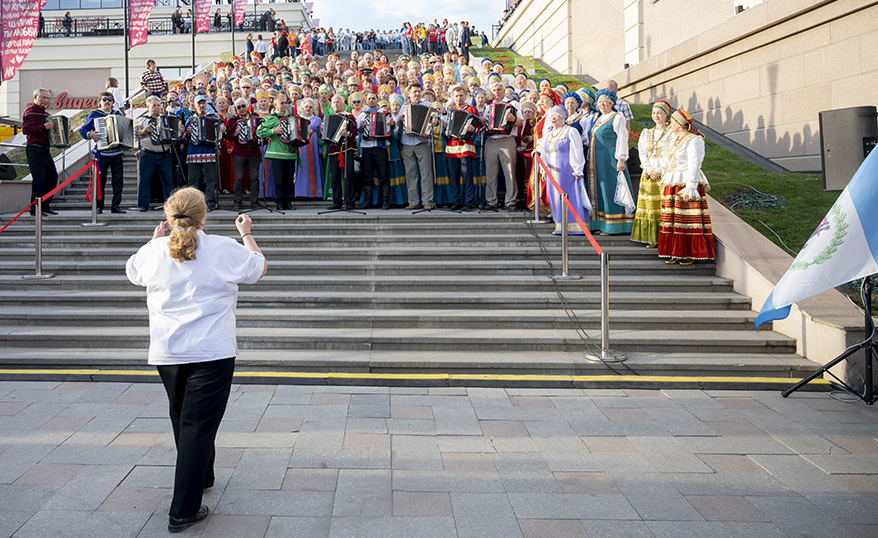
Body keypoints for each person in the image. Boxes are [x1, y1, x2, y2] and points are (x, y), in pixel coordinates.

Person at [125, 187, 266, 534]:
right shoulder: (221, 247)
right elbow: (258, 268)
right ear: (204, 216)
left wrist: (152, 240)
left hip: (167, 352)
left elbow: (133, 272)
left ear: (169, 217)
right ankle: (183, 510)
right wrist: (247, 234)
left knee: (183, 415)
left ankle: (202, 473)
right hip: (211, 351)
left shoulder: (154, 250)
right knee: (197, 423)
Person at [658, 109, 716, 265]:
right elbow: (667, 160)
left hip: (685, 182)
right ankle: (675, 251)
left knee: (687, 219)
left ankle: (691, 253)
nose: (670, 124)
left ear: (680, 124)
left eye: (673, 121)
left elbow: (694, 163)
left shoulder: (693, 140)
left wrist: (691, 187)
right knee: (673, 219)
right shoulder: (674, 139)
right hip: (673, 180)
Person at [587, 89, 634, 235]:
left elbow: (622, 138)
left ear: (611, 103)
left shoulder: (617, 117)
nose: (602, 105)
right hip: (597, 161)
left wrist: (621, 159)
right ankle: (600, 223)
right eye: (599, 102)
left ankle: (614, 225)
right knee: (600, 190)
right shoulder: (598, 118)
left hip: (610, 161)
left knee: (611, 189)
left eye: (605, 102)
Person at [538, 106, 590, 234]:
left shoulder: (570, 131)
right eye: (552, 117)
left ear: (562, 118)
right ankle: (559, 225)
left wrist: (578, 169)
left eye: (556, 116)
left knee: (569, 195)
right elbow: (544, 154)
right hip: (552, 172)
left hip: (567, 171)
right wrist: (543, 170)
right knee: (554, 197)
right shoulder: (549, 135)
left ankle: (575, 226)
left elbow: (578, 151)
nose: (554, 119)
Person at [631, 101, 672, 248]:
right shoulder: (646, 132)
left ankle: (664, 238)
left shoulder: (672, 133)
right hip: (648, 172)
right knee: (649, 206)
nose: (656, 116)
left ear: (666, 115)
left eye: (659, 113)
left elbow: (671, 154)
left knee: (663, 206)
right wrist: (648, 169)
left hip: (664, 173)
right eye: (654, 113)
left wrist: (659, 170)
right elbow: (642, 152)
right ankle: (651, 237)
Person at [79, 91, 126, 214]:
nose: (107, 102)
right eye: (104, 99)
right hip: (102, 153)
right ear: (100, 101)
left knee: (118, 181)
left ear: (113, 103)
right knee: (100, 180)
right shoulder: (95, 114)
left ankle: (116, 206)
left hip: (117, 153)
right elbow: (83, 130)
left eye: (110, 100)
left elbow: (126, 127)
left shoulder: (117, 114)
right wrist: (91, 134)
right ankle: (99, 206)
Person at [482, 82, 521, 211]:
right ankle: (491, 201)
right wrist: (482, 121)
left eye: (499, 89)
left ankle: (510, 201)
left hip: (507, 140)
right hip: (491, 140)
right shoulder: (489, 106)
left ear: (504, 91)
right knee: (490, 173)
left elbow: (521, 122)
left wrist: (512, 120)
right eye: (494, 90)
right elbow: (485, 122)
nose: (497, 92)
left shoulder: (513, 104)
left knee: (509, 172)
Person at [256, 92, 298, 210]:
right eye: (281, 103)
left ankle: (288, 202)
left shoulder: (292, 118)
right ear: (275, 104)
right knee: (278, 180)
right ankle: (279, 202)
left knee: (289, 179)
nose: (284, 105)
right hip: (277, 153)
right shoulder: (270, 118)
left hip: (290, 153)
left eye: (285, 103)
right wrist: (273, 131)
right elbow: (259, 132)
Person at [22, 88, 60, 216]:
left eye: (47, 98)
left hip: (44, 150)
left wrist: (65, 134)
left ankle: (44, 206)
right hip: (34, 149)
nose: (45, 100)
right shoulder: (30, 112)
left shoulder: (46, 115)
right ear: (35, 97)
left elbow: (50, 133)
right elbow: (26, 129)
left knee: (52, 178)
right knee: (39, 180)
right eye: (42, 97)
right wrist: (44, 127)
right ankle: (35, 209)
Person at [135, 96, 177, 211]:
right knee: (145, 180)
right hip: (148, 154)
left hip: (165, 154)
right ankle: (143, 204)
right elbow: (134, 134)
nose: (156, 108)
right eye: (154, 105)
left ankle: (171, 205)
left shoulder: (167, 119)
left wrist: (179, 131)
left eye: (158, 105)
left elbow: (174, 134)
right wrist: (144, 131)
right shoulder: (142, 120)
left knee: (168, 181)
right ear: (148, 106)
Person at [399, 82, 436, 210]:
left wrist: (434, 122)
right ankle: (413, 201)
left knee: (426, 173)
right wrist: (400, 119)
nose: (417, 94)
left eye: (418, 91)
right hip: (407, 142)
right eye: (414, 91)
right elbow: (397, 123)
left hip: (422, 142)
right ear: (409, 94)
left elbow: (435, 120)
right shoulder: (404, 106)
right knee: (411, 174)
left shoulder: (427, 105)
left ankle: (427, 201)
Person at [356, 91, 395, 209]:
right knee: (367, 174)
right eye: (369, 98)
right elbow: (358, 131)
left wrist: (392, 124)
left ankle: (385, 201)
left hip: (380, 146)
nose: (371, 100)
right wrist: (362, 128)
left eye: (373, 98)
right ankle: (368, 201)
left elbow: (395, 130)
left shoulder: (384, 113)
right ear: (366, 101)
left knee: (383, 174)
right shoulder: (362, 115)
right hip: (367, 147)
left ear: (377, 100)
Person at [444, 84, 479, 210]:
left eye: (461, 96)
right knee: (453, 176)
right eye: (456, 96)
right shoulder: (450, 110)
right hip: (451, 145)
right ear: (452, 97)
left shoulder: (471, 109)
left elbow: (478, 127)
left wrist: (473, 128)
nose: (459, 98)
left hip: (465, 145)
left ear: (465, 96)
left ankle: (469, 202)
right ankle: (456, 200)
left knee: (467, 175)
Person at [185, 94, 222, 211]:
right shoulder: (190, 119)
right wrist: (188, 132)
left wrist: (221, 130)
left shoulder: (213, 117)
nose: (201, 105)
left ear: (206, 104)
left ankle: (210, 202)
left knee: (211, 178)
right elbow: (184, 137)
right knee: (193, 179)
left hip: (209, 151)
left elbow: (219, 133)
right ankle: (193, 203)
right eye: (199, 103)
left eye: (203, 103)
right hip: (194, 153)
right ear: (195, 105)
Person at [225, 98, 262, 211]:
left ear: (247, 106)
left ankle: (254, 201)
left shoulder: (255, 117)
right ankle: (237, 202)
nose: (242, 109)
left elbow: (261, 132)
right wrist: (235, 133)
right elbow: (227, 135)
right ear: (236, 109)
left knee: (254, 178)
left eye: (243, 106)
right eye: (239, 107)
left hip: (253, 150)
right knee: (239, 177)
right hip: (239, 151)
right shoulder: (233, 120)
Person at [325, 94, 358, 209]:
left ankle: (350, 202)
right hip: (333, 150)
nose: (335, 104)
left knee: (347, 176)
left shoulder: (349, 117)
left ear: (343, 104)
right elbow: (325, 137)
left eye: (338, 102)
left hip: (346, 149)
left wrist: (347, 134)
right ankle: (337, 201)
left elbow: (354, 132)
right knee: (334, 177)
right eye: (334, 102)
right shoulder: (329, 117)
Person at [294, 98, 324, 199]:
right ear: (302, 108)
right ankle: (301, 193)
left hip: (314, 148)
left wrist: (321, 149)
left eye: (310, 107)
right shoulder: (298, 119)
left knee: (314, 167)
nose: (308, 109)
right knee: (302, 168)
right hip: (301, 148)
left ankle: (315, 193)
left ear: (314, 109)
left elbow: (321, 136)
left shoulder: (318, 120)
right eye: (306, 107)